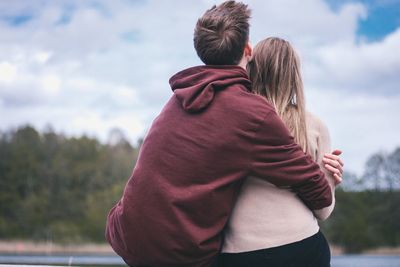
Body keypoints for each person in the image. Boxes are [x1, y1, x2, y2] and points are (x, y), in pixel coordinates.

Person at [105, 2, 342, 267]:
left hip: (125, 234)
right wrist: (326, 172)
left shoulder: (179, 98)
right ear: (248, 49)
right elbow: (320, 195)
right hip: (180, 255)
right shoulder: (253, 114)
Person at [220, 37, 343, 267]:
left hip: (238, 252)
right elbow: (324, 211)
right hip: (303, 247)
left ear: (252, 69)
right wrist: (331, 181)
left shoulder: (228, 119)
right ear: (294, 75)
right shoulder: (314, 126)